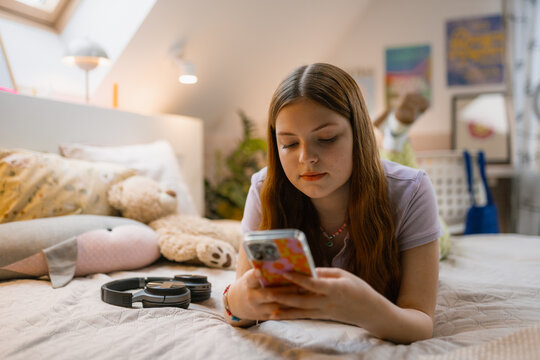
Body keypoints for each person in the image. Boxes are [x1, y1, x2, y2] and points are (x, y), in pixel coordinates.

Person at [222, 63, 441, 344]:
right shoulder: (265, 188)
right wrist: (238, 302)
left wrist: (366, 308)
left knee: (443, 243)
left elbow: (421, 322)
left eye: (326, 139)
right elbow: (236, 308)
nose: (306, 158)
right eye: (289, 144)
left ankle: (397, 138)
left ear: (359, 134)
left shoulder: (412, 191)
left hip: (407, 207)